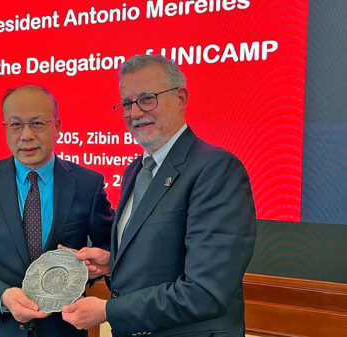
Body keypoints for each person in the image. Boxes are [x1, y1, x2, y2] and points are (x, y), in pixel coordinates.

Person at [61, 54, 257, 337]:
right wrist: (111, 263)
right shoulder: (135, 171)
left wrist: (107, 311)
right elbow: (161, 258)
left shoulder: (216, 169)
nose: (136, 113)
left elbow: (205, 292)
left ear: (180, 98)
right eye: (127, 103)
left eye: (147, 98)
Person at [0, 84, 114, 337]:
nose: (26, 135)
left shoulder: (87, 184)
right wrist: (4, 296)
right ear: (5, 128)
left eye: (37, 124)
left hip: (63, 329)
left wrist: (91, 268)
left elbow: (108, 250)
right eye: (15, 125)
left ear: (57, 126)